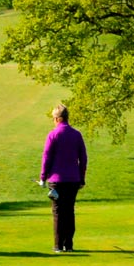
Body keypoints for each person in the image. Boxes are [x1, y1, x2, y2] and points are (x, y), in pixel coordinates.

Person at [40, 104, 88, 253]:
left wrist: (42, 177)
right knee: (69, 211)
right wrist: (81, 178)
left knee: (58, 212)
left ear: (58, 118)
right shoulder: (76, 134)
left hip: (56, 181)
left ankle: (58, 245)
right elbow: (83, 158)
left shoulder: (53, 135)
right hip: (73, 180)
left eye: (54, 118)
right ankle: (69, 245)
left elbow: (46, 157)